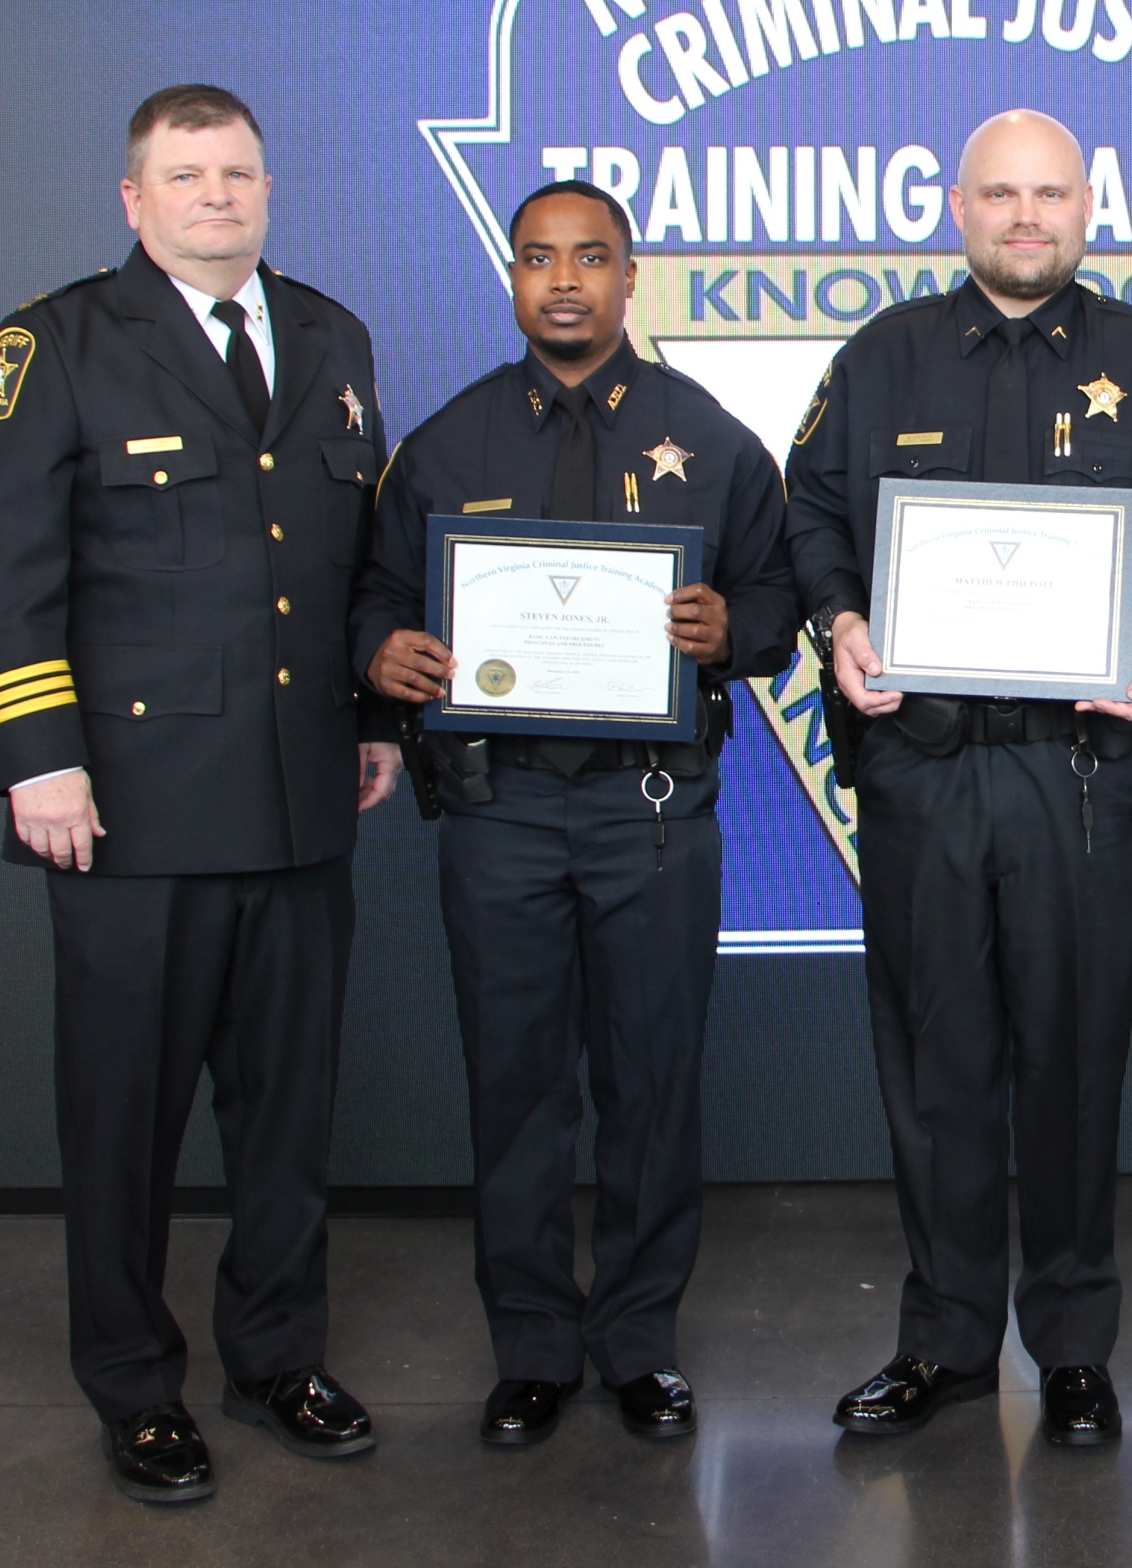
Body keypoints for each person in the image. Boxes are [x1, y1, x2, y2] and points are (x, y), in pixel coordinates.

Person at [782, 109, 1132, 1448]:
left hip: (1082, 775)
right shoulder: (884, 359)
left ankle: (1070, 1348)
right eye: (1001, 194)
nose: (1026, 217)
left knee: (1071, 1062)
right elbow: (810, 508)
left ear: (1088, 204)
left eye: (1049, 193)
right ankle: (940, 1343)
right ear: (959, 205)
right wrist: (842, 621)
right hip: (924, 772)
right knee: (938, 1066)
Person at [0, 85, 397, 1503]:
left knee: (286, 1115)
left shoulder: (329, 334)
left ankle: (276, 1358)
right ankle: (136, 1384)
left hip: (298, 803)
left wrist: (378, 713)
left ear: (268, 187)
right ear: (132, 199)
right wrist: (39, 759)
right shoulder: (59, 344)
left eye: (240, 172)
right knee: (125, 1122)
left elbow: (354, 557)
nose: (219, 196)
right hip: (128, 811)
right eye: (187, 175)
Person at [352, 181, 797, 1448]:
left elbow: (776, 598)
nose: (564, 281)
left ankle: (641, 1342)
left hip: (649, 816)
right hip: (496, 815)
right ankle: (536, 1344)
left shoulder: (706, 437)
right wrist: (383, 654)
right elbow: (375, 593)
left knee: (652, 1085)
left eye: (590, 259)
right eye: (539, 258)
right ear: (512, 275)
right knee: (518, 1085)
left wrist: (733, 631)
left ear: (628, 276)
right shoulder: (446, 443)